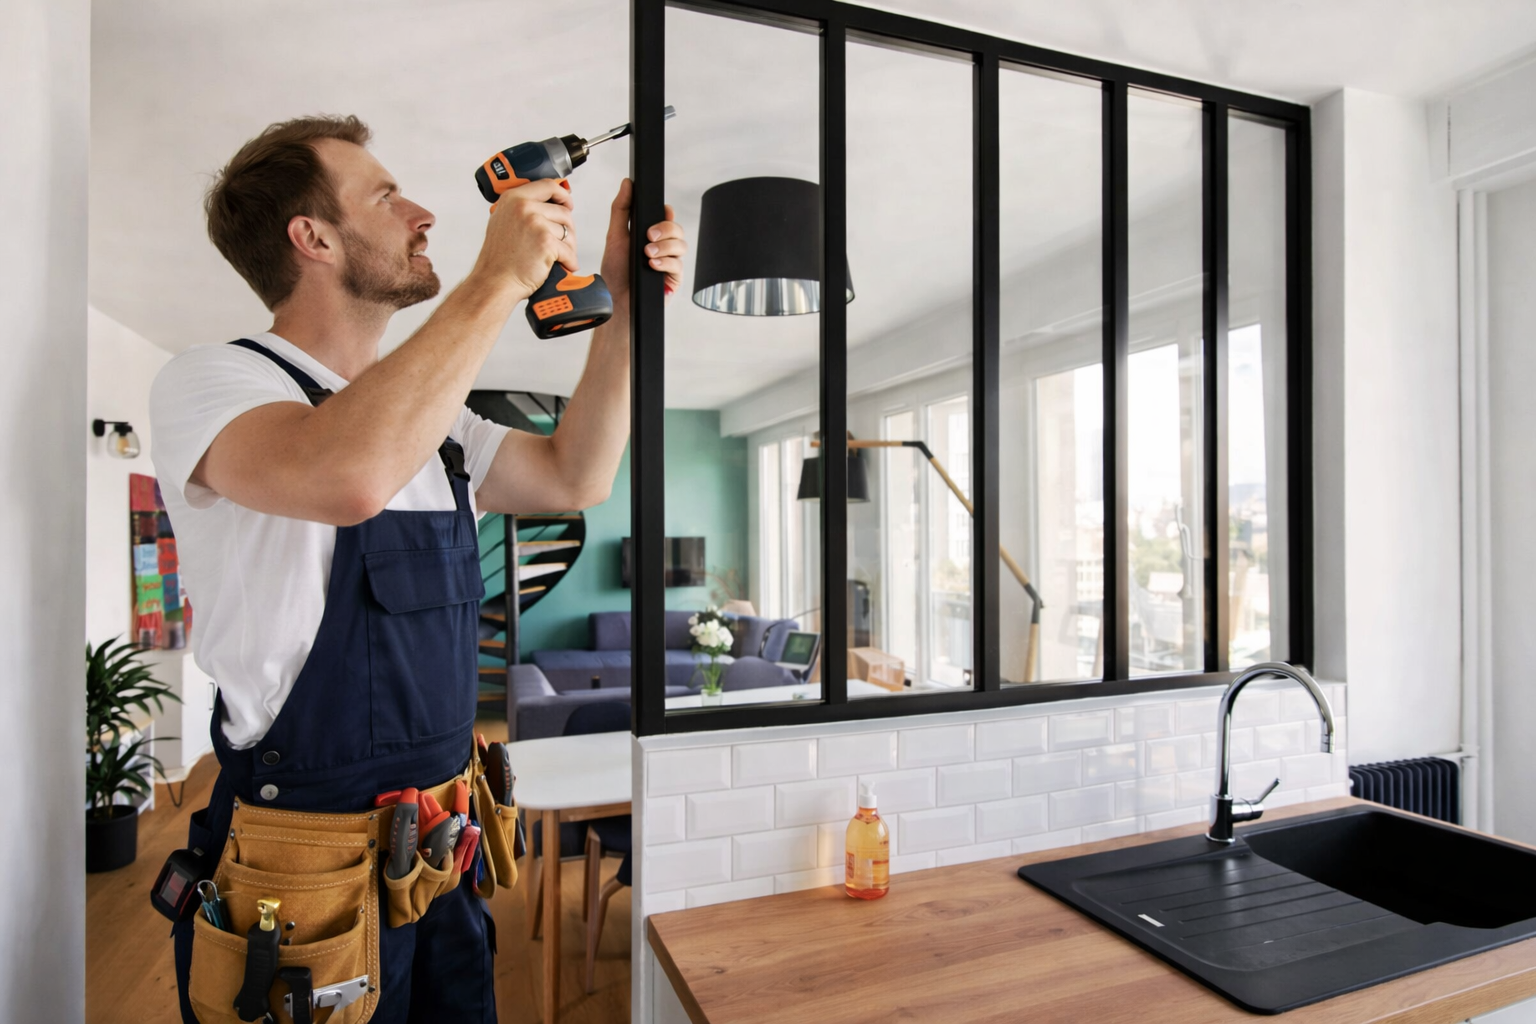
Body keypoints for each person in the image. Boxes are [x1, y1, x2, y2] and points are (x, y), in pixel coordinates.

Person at [150, 114, 685, 1024]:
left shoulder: (438, 428)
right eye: (387, 195)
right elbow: (344, 472)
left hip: (440, 853)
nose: (426, 213)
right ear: (311, 238)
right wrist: (494, 278)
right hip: (301, 869)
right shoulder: (213, 381)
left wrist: (626, 308)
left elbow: (575, 475)